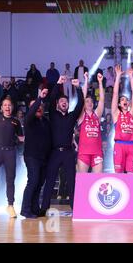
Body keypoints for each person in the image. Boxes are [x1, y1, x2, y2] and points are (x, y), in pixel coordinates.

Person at [40, 75, 83, 215]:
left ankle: (75, 208)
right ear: (58, 104)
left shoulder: (71, 116)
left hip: (68, 153)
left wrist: (78, 88)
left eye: (66, 101)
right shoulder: (53, 114)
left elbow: (80, 103)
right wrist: (58, 84)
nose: (64, 102)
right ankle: (44, 207)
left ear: (68, 104)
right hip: (55, 153)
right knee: (50, 180)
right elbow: (51, 99)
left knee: (71, 181)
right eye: (61, 101)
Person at [0, 70, 24, 219]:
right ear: (1, 107)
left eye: (9, 105)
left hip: (10, 153)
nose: (7, 107)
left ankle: (10, 205)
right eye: (5, 105)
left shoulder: (16, 121)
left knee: (10, 180)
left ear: (12, 107)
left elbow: (21, 138)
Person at [20, 88, 51, 218]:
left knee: (39, 184)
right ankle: (25, 210)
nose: (38, 108)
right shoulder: (28, 120)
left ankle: (35, 208)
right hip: (32, 157)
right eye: (35, 106)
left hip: (44, 158)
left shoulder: (45, 121)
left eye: (40, 106)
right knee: (32, 182)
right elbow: (33, 110)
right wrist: (39, 99)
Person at [111, 65, 133, 173]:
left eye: (126, 99)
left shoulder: (132, 113)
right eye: (122, 99)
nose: (124, 100)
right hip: (119, 145)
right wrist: (118, 76)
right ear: (119, 103)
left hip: (132, 145)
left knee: (131, 176)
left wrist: (131, 77)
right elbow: (115, 93)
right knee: (119, 174)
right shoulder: (116, 114)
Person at [77, 72, 105, 173]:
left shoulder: (96, 115)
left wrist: (100, 82)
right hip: (84, 153)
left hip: (97, 153)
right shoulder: (81, 116)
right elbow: (82, 98)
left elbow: (102, 100)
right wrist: (86, 80)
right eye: (87, 101)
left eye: (91, 102)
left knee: (97, 181)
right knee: (83, 181)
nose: (90, 103)